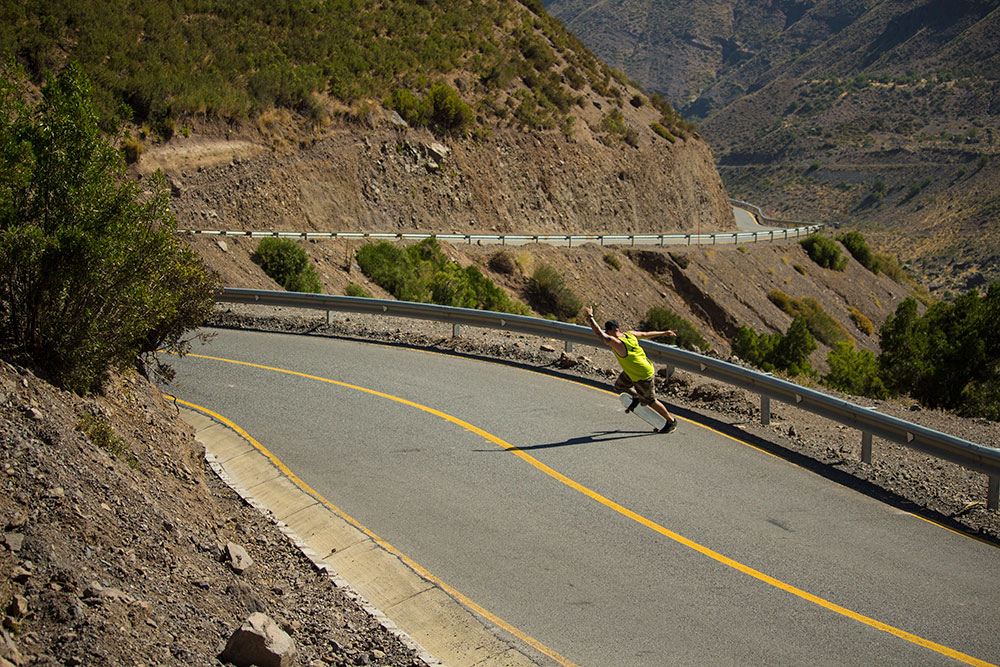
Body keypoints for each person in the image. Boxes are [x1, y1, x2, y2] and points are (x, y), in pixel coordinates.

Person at [584, 306, 679, 434]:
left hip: (642, 374)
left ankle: (671, 422)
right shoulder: (629, 334)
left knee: (650, 401)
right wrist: (663, 332)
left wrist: (590, 317)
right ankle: (635, 396)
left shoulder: (616, 343)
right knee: (619, 386)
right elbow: (645, 334)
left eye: (607, 331)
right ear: (618, 329)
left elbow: (598, 333)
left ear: (608, 330)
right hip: (634, 370)